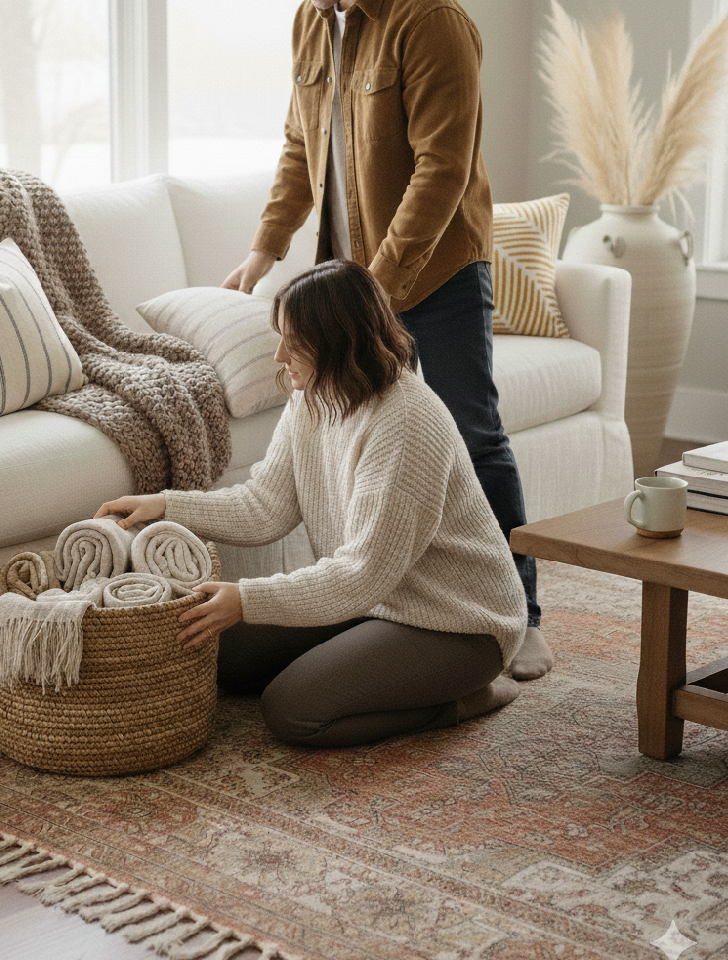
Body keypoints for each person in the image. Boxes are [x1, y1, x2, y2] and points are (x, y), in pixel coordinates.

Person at [221, 0, 552, 680]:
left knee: (472, 430)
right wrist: (264, 248)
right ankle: (374, 600)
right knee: (358, 432)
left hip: (438, 271)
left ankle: (522, 615)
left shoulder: (430, 19)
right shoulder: (311, 21)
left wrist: (377, 289)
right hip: (349, 278)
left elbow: (442, 169)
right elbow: (297, 145)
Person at [96, 260, 526, 749]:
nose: (279, 355)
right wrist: (164, 506)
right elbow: (265, 506)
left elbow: (363, 573)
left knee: (293, 711)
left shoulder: (406, 422)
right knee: (221, 654)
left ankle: (465, 700)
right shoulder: (315, 394)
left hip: (457, 622)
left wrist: (247, 598)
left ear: (339, 339)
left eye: (293, 340)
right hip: (372, 600)